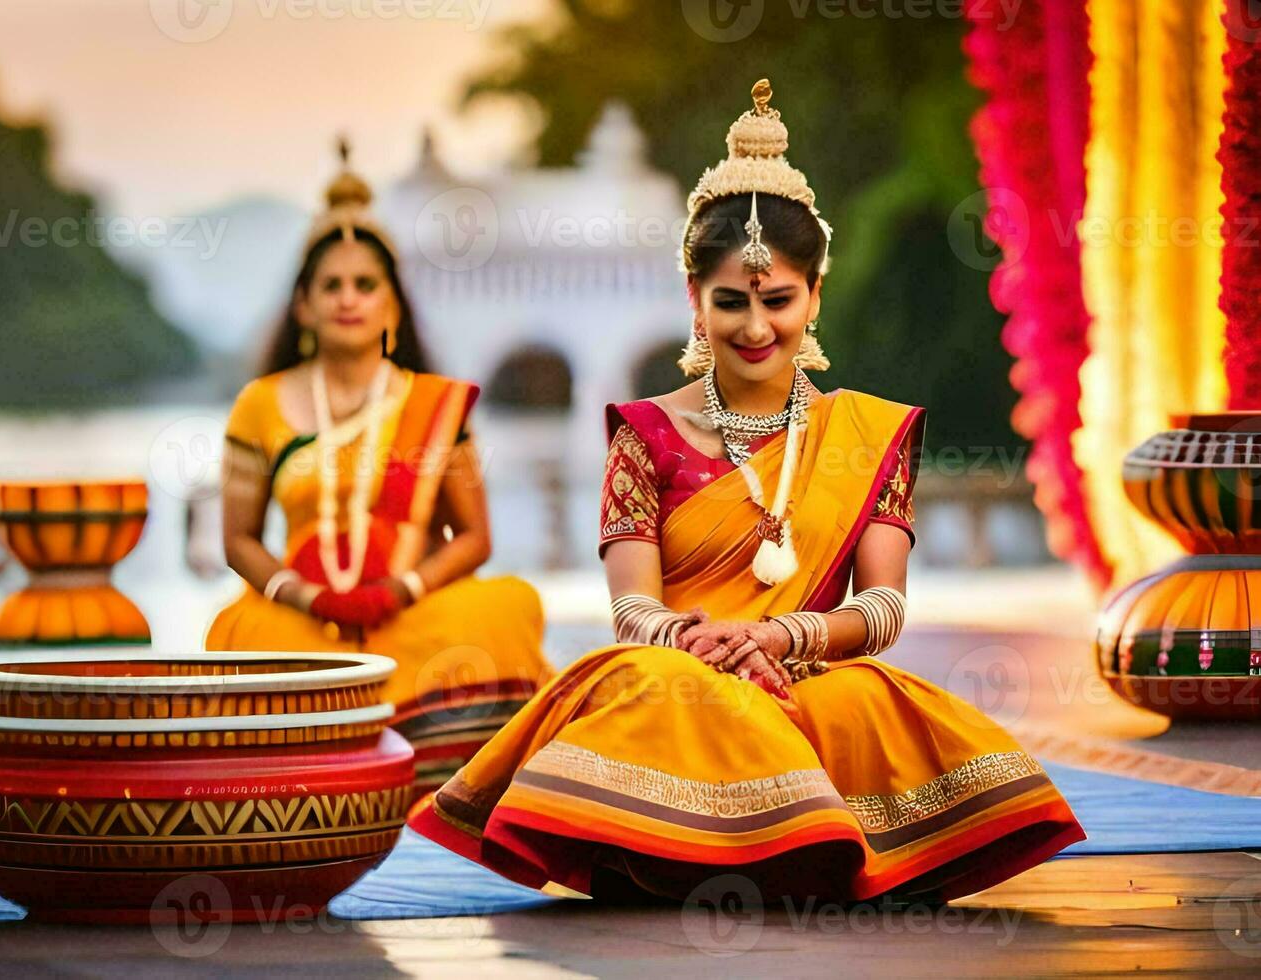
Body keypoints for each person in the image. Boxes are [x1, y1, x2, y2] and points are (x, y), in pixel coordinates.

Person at [408, 79, 1085, 904]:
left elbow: (883, 609)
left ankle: (757, 847)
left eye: (778, 300)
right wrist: (706, 643)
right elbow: (633, 611)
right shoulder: (644, 433)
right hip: (681, 668)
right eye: (731, 301)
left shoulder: (864, 432)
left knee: (864, 701)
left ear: (815, 297)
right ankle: (724, 845)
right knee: (652, 687)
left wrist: (782, 641)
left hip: (808, 672)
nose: (756, 327)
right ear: (695, 303)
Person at [205, 142, 552, 799]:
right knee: (242, 631)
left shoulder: (434, 403)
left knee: (505, 608)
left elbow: (476, 539)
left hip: (410, 609)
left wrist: (402, 590)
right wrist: (303, 596)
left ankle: (444, 781)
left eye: (366, 284)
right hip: (304, 615)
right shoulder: (261, 403)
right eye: (330, 286)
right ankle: (317, 780)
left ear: (392, 303)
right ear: (302, 306)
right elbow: (238, 540)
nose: (348, 299)